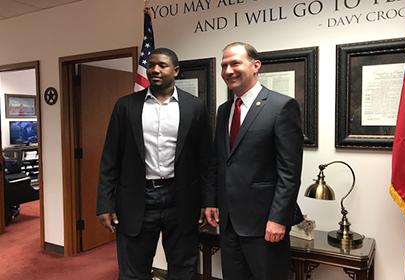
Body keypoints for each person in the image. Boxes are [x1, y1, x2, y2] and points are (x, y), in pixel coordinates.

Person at [96, 48, 211, 280]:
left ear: (176, 71)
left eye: (162, 65)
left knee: (183, 270)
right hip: (138, 199)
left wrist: (208, 201)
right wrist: (105, 203)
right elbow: (110, 158)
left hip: (181, 200)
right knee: (133, 272)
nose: (155, 70)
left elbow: (206, 160)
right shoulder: (125, 106)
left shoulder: (194, 107)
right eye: (151, 65)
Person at [204, 42, 303, 280]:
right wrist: (211, 200)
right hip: (228, 224)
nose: (228, 71)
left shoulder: (282, 107)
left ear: (255, 65)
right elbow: (220, 161)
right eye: (224, 65)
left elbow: (289, 172)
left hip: (265, 225)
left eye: (235, 63)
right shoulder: (224, 110)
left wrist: (278, 219)